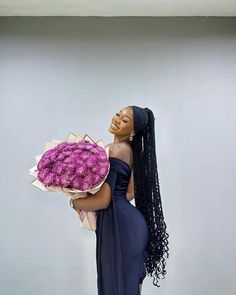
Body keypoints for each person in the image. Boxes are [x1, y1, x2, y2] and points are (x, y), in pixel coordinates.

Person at [71, 105, 169, 294]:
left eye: (125, 121)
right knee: (125, 287)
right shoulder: (130, 151)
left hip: (121, 227)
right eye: (118, 114)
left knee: (116, 286)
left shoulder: (115, 149)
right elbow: (130, 191)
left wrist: (76, 202)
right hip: (129, 225)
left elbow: (104, 200)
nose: (117, 119)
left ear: (132, 131)